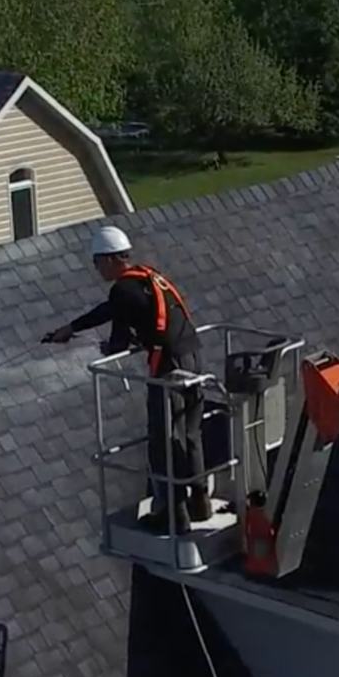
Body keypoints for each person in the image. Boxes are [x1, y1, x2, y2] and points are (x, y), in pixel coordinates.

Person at [42, 225, 215, 532]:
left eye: (97, 262)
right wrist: (71, 328)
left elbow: (118, 340)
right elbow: (112, 310)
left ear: (109, 260)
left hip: (169, 369)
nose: (96, 269)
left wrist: (112, 345)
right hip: (193, 356)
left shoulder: (122, 289)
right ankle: (200, 502)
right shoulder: (147, 277)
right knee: (190, 434)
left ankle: (172, 513)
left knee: (161, 440)